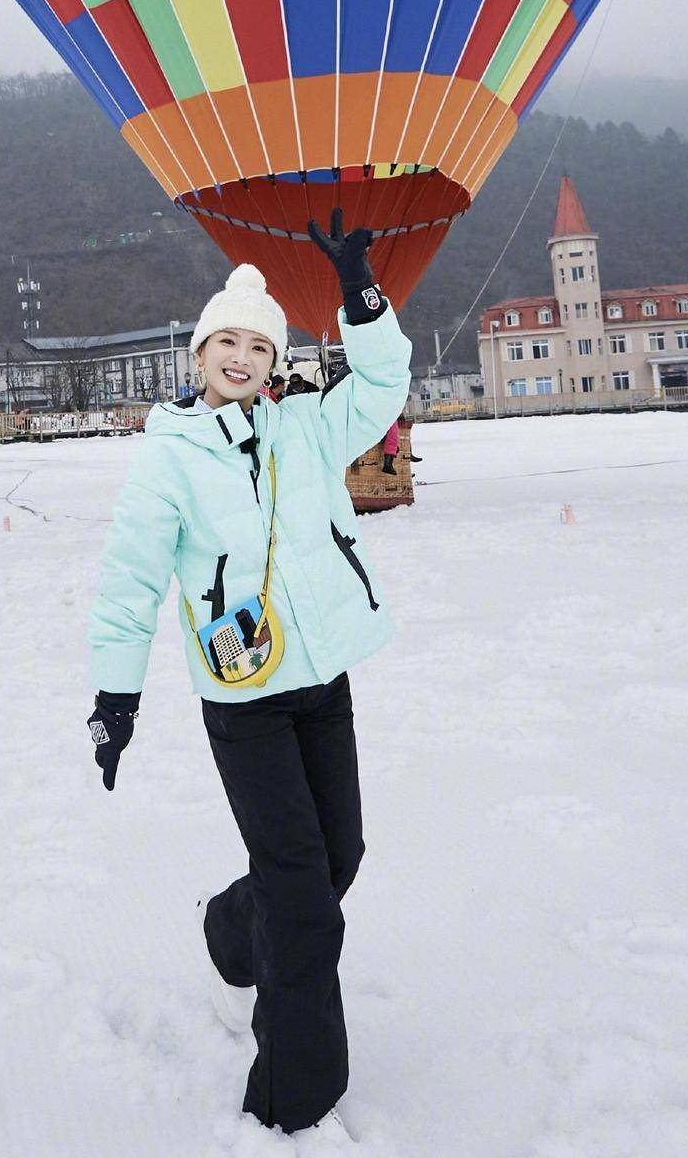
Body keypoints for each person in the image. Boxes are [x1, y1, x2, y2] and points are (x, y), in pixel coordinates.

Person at [86, 211, 412, 1136]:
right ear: (198, 357)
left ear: (274, 362)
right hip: (245, 700)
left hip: (321, 681)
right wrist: (116, 697)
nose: (240, 355)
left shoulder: (308, 426)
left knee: (334, 859)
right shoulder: (167, 461)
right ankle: (292, 1105)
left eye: (256, 344)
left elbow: (385, 380)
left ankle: (231, 935)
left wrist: (360, 294)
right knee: (305, 904)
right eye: (223, 340)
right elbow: (129, 582)